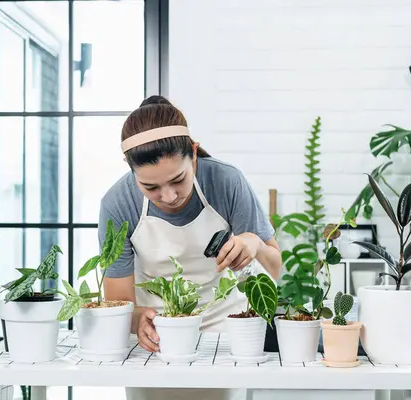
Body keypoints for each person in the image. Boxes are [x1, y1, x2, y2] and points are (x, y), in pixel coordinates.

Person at [98, 95, 281, 400]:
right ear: (131, 171)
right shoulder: (118, 203)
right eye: (150, 187)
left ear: (193, 153)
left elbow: (275, 268)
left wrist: (254, 242)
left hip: (224, 332)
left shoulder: (227, 182)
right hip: (157, 337)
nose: (168, 196)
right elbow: (119, 303)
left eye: (178, 180)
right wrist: (136, 319)